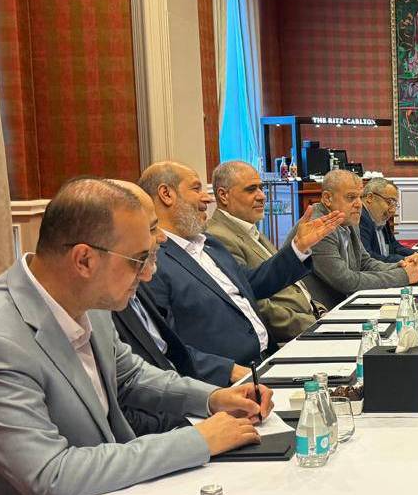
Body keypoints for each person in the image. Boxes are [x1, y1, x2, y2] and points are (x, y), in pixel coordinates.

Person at [0, 178, 275, 495]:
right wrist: (197, 440)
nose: (149, 274)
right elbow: (51, 476)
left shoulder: (88, 299)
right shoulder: (4, 337)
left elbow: (130, 376)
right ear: (84, 259)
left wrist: (213, 398)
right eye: (138, 260)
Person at [141, 161, 343, 384]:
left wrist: (298, 247)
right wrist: (230, 371)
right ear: (166, 194)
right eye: (197, 188)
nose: (207, 198)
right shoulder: (154, 262)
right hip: (229, 380)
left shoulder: (209, 244)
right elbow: (166, 346)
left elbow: (253, 284)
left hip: (269, 358)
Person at [107, 180, 234, 435]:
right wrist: (197, 431)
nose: (163, 238)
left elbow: (136, 376)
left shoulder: (136, 278)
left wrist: (213, 399)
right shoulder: (102, 302)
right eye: (153, 228)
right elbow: (118, 414)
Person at [206, 160, 325, 343]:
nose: (262, 196)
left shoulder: (249, 229)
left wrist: (320, 312)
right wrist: (313, 324)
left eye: (261, 188)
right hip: (286, 340)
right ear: (223, 195)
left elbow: (295, 288)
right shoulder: (218, 236)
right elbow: (255, 305)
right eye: (251, 189)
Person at [291, 170, 418, 308]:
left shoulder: (348, 220)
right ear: (328, 198)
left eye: (360, 197)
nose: (359, 204)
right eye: (351, 197)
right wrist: (402, 276)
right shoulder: (318, 227)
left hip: (340, 305)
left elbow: (364, 262)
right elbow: (346, 282)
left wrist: (401, 266)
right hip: (314, 312)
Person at [359, 176, 418, 265]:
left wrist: (415, 255)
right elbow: (368, 259)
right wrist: (405, 259)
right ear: (370, 197)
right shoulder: (360, 218)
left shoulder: (379, 217)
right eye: (389, 202)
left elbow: (394, 246)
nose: (392, 210)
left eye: (395, 204)